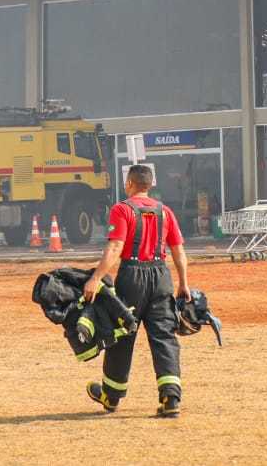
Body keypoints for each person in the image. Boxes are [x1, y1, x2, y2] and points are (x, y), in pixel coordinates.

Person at [82, 164, 189, 418]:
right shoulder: (166, 212)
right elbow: (179, 252)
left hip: (132, 277)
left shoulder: (122, 209)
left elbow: (115, 247)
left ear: (129, 184)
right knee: (164, 336)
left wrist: (96, 278)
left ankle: (111, 396)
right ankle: (170, 397)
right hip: (161, 276)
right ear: (150, 184)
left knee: (121, 335)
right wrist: (183, 283)